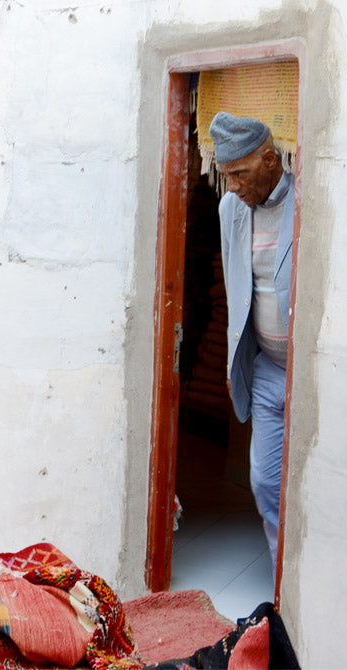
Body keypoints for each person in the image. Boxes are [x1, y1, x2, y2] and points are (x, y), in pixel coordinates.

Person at [209, 112, 295, 573]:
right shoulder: (230, 211)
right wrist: (233, 365)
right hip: (266, 369)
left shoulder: (307, 202)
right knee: (264, 481)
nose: (235, 187)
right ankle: (285, 577)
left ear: (269, 158)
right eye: (228, 177)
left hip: (307, 375)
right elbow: (239, 288)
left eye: (241, 174)